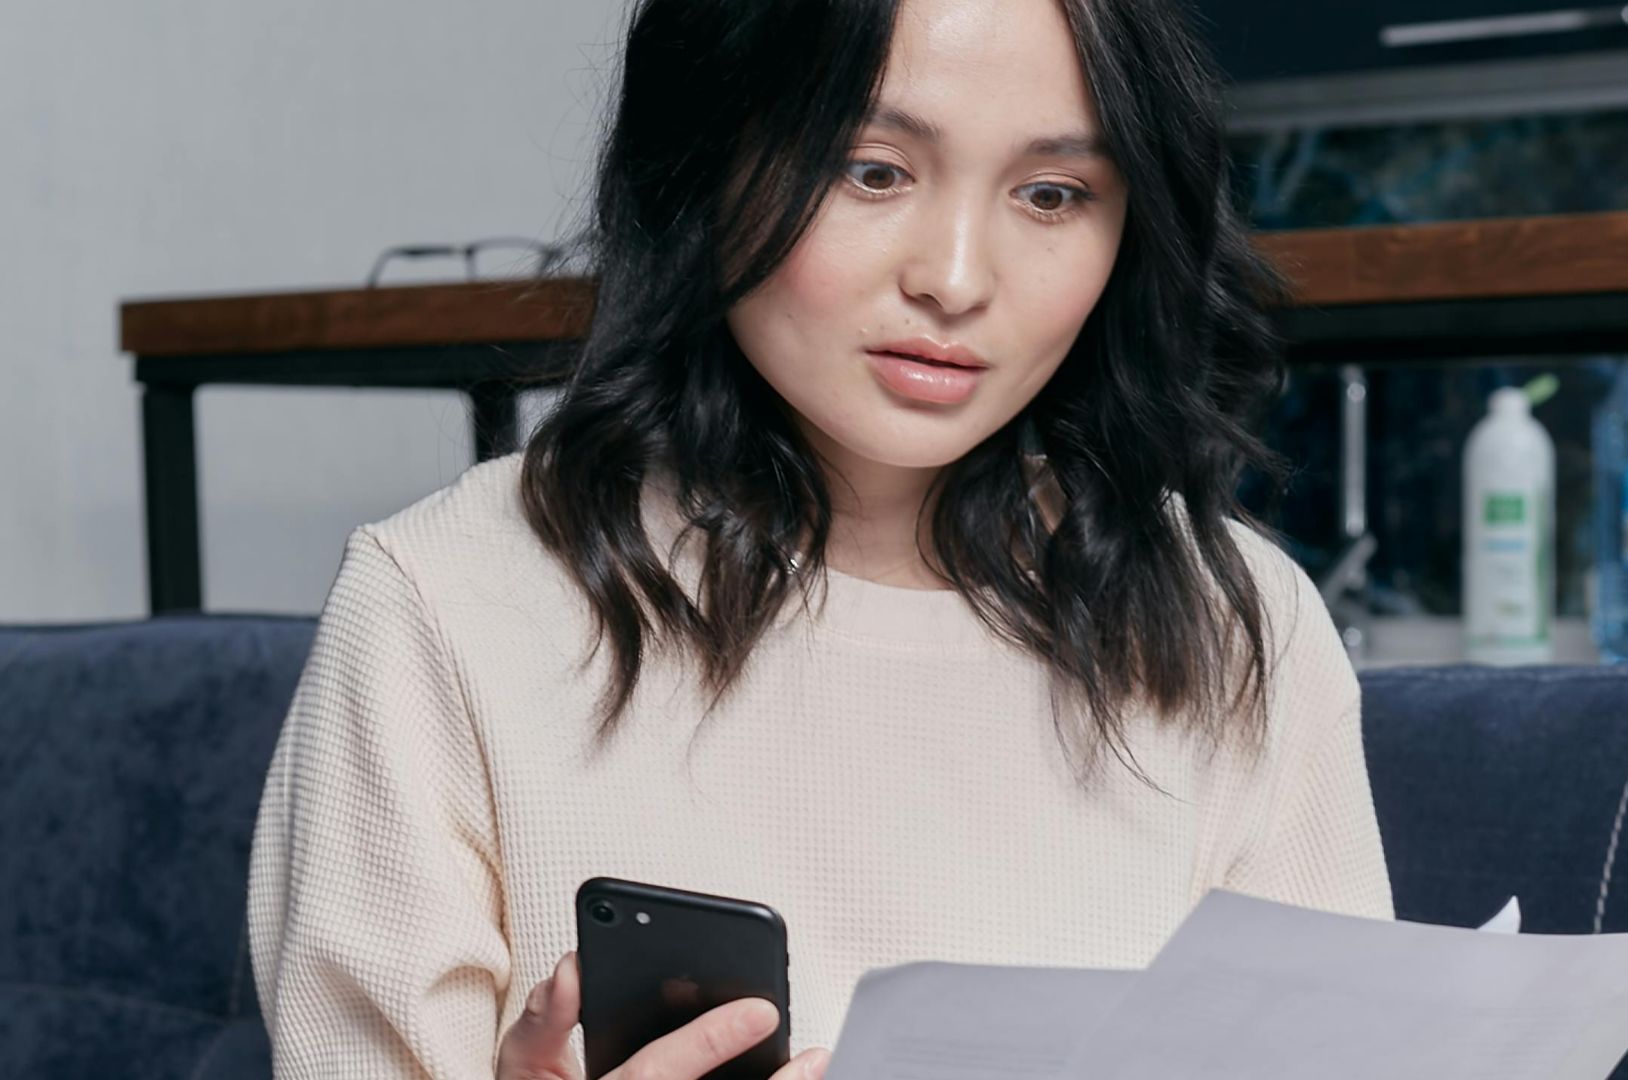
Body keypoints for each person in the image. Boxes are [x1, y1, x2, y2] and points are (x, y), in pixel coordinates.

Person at [246, 0, 1394, 1076]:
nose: (954, 280)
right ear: (708, 162)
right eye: (873, 171)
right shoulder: (447, 598)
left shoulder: (1238, 619)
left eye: (1052, 195)